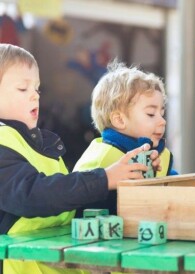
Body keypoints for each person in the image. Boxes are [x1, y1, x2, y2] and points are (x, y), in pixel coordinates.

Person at [0, 44, 155, 274]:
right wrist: (104, 179)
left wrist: (127, 180)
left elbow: (70, 207)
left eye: (37, 88)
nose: (34, 95)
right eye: (23, 88)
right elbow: (33, 195)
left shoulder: (39, 145)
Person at [74, 60, 178, 215]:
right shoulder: (101, 159)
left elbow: (176, 188)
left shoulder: (161, 154)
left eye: (161, 114)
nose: (162, 121)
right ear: (120, 120)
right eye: (151, 114)